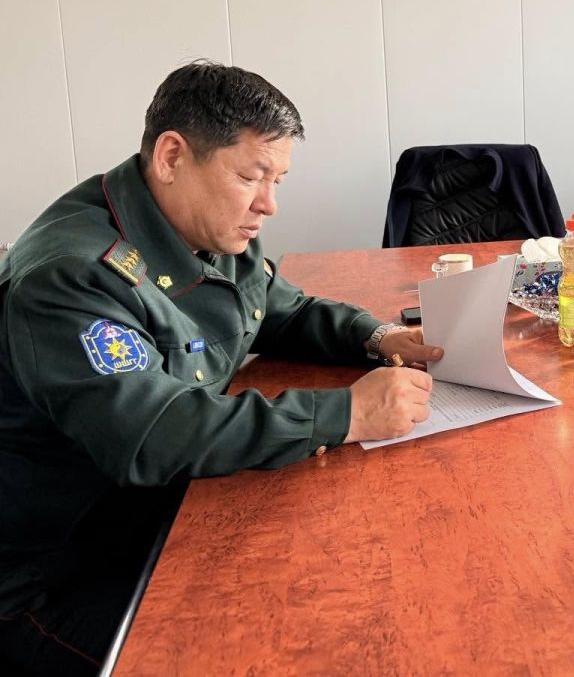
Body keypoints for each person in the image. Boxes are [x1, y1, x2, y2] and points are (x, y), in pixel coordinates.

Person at [0, 62, 444, 674]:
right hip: (60, 576)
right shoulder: (73, 276)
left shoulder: (205, 225)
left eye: (277, 180)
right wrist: (348, 414)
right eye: (250, 177)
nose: (269, 204)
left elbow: (278, 309)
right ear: (172, 156)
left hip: (168, 517)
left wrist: (377, 336)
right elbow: (153, 433)